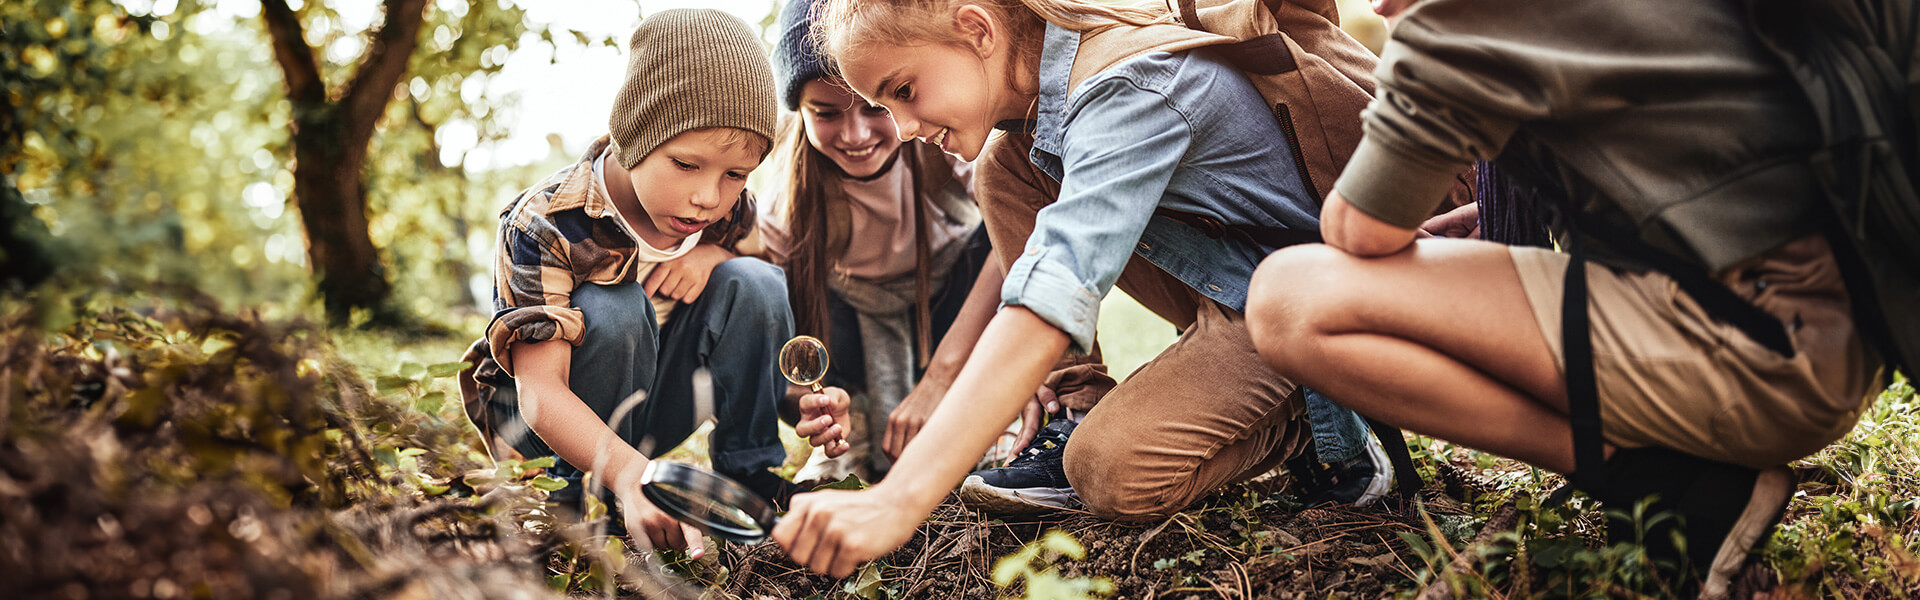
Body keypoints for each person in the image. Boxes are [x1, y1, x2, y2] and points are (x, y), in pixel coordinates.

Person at [1243, 0, 1889, 596]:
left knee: (1290, 297)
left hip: (1759, 358)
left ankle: (1663, 480)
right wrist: (1494, 217)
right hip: (1820, 332)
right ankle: (1675, 467)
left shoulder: (1457, 16)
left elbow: (1355, 229)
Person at [772, 0, 1420, 577]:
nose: (904, 128)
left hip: (1310, 303)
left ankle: (1326, 418)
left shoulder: (1128, 86)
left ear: (977, 29)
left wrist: (898, 499)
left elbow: (1053, 292)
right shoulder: (1041, 115)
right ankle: (1075, 407)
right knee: (1007, 167)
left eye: (904, 91)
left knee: (1110, 472)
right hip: (1235, 286)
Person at [457, 9, 795, 561]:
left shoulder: (724, 214)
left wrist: (713, 254)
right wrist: (632, 474)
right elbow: (541, 393)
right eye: (686, 164)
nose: (709, 197)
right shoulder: (546, 223)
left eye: (736, 174)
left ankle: (750, 478)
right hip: (549, 428)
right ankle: (570, 504)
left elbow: (762, 285)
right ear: (636, 136)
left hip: (647, 411)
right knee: (614, 305)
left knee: (756, 280)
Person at [752, 0, 1012, 481]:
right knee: (776, 286)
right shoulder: (783, 209)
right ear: (799, 112)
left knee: (1003, 234)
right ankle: (856, 427)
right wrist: (814, 401)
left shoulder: (941, 141)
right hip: (855, 333)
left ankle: (992, 413)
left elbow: (1021, 240)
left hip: (954, 314)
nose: (855, 135)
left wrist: (941, 377)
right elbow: (784, 337)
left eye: (875, 108)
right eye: (825, 114)